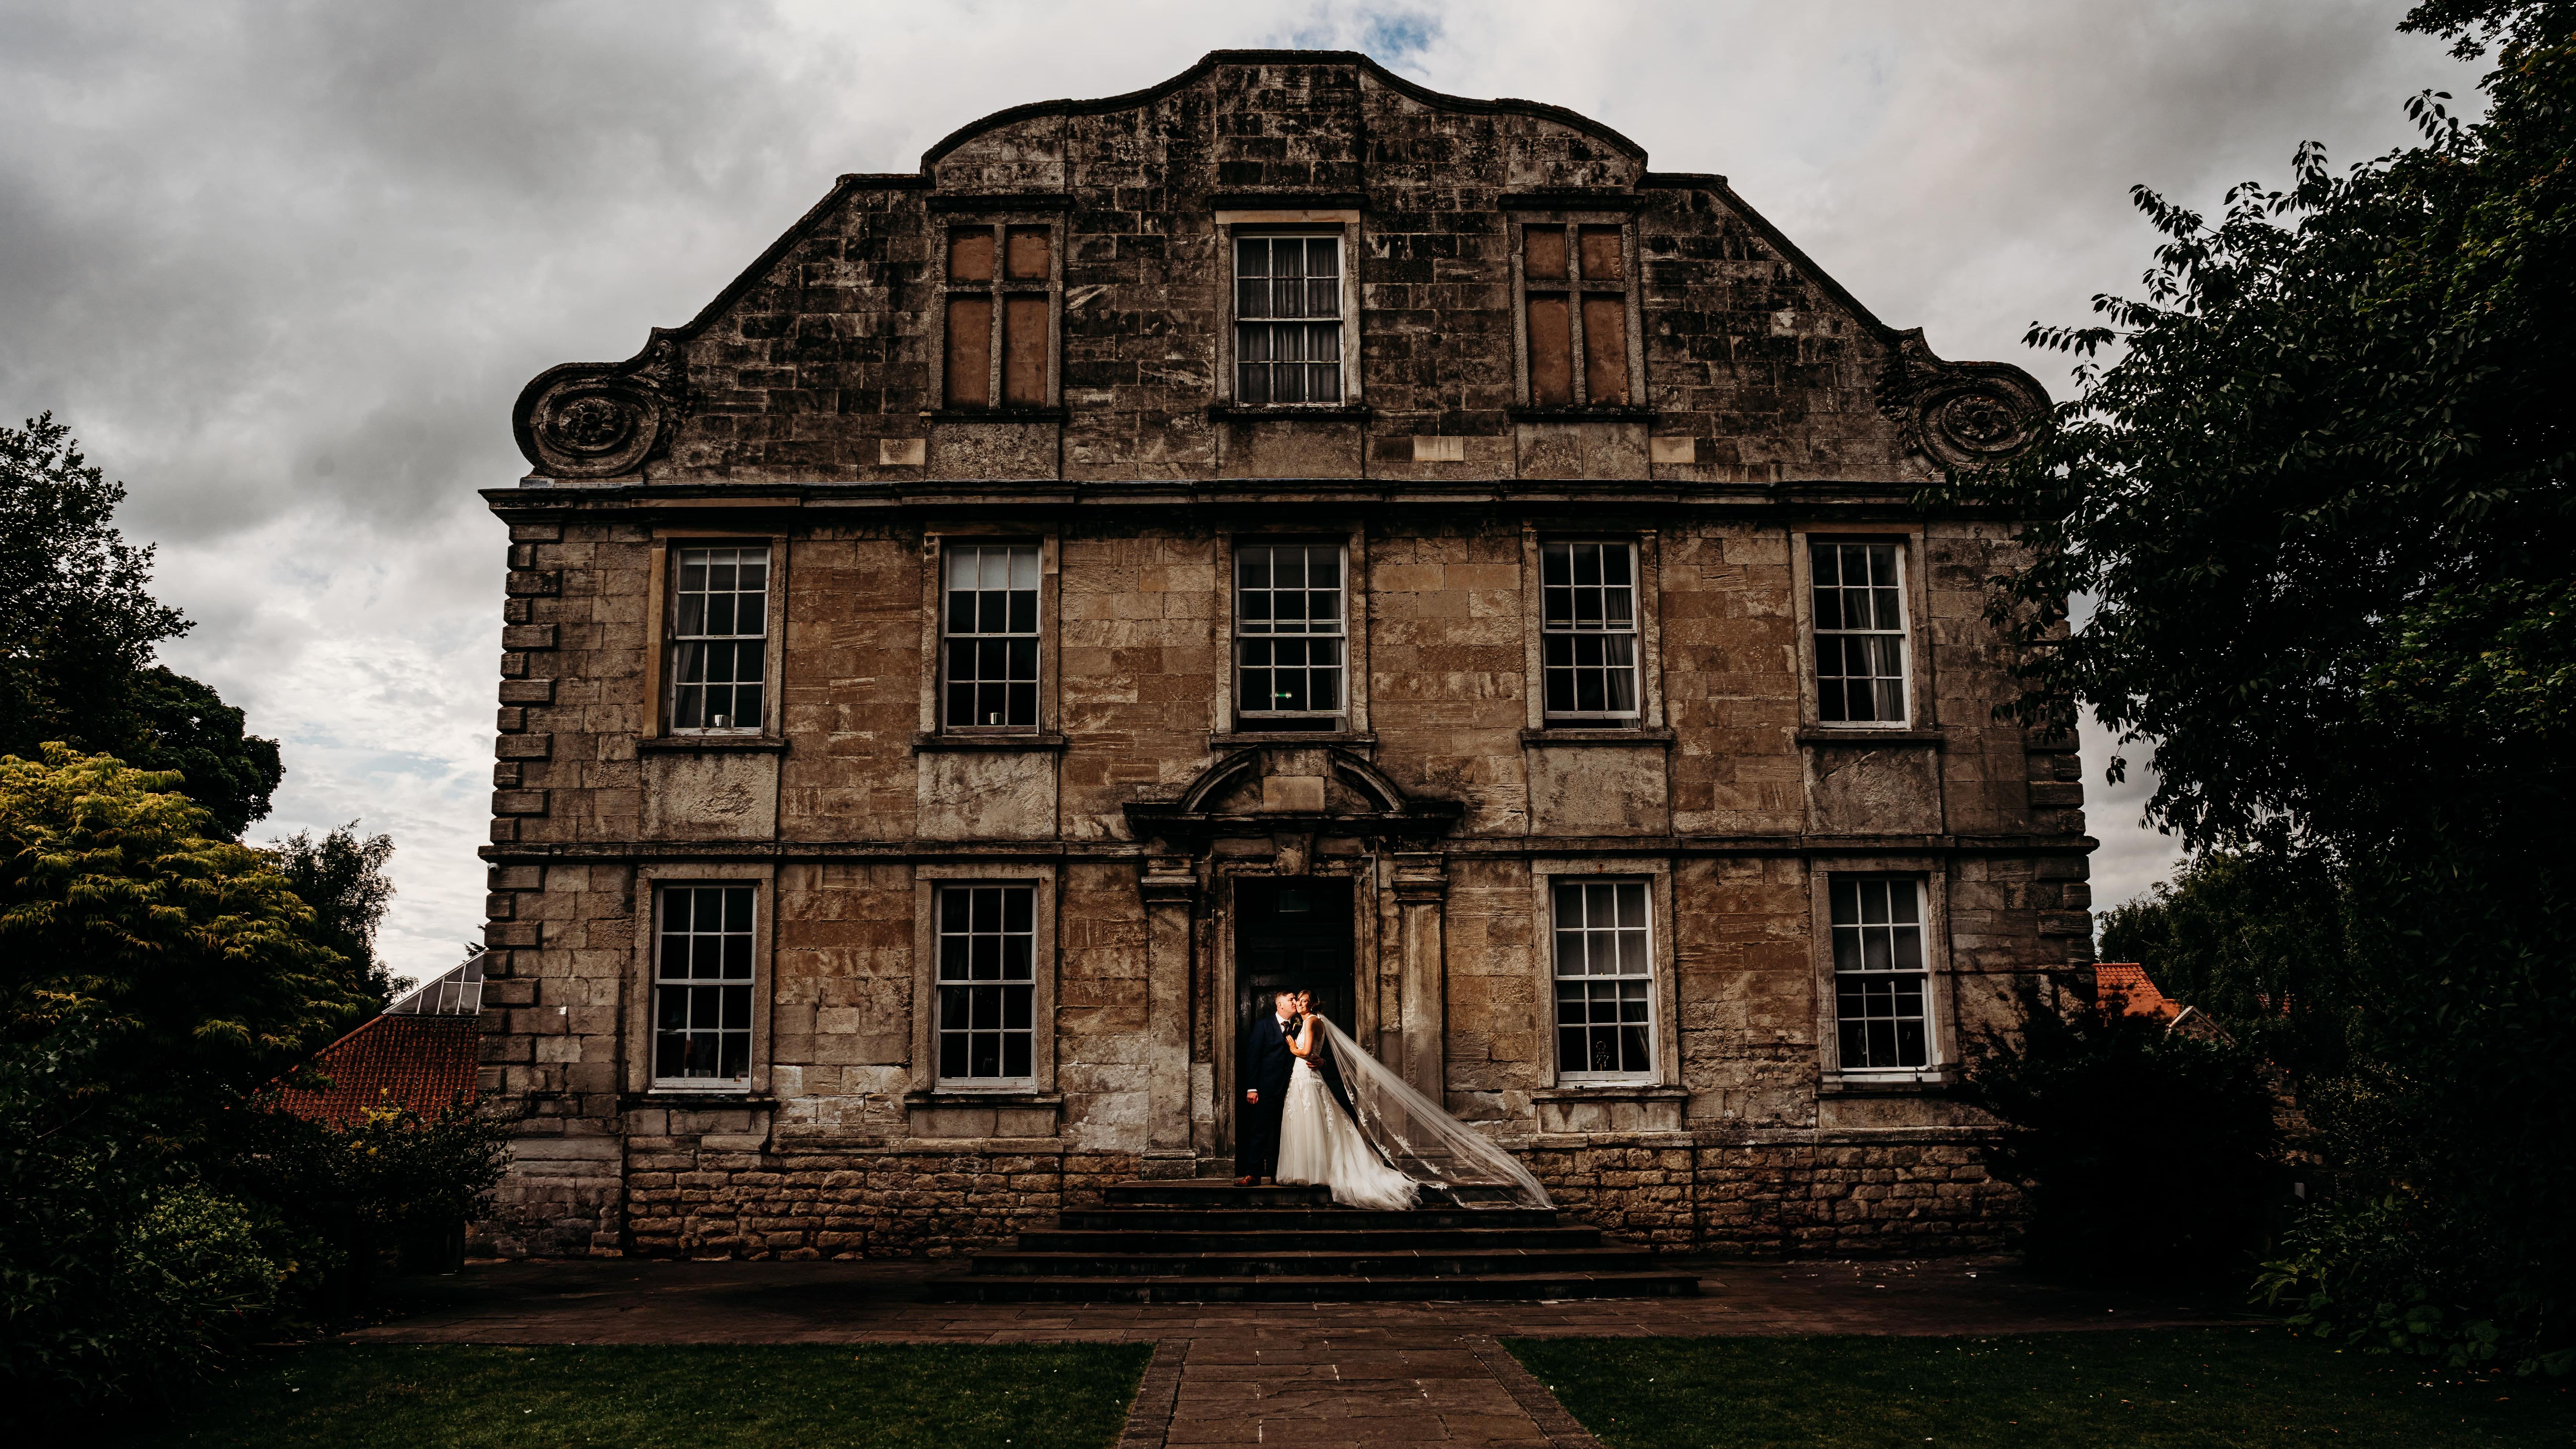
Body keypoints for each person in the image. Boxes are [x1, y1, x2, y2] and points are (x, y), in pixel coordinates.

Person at [1274, 1001, 1420, 1210]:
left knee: (1314, 1121)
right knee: (1305, 1122)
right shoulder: (1303, 1023)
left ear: (1312, 1004)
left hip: (1305, 1076)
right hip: (1293, 1079)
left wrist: (1296, 1050)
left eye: (1303, 1000)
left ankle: (1316, 1172)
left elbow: (1310, 1052)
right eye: (1296, 1000)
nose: (1298, 1003)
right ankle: (1307, 1170)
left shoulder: (1312, 1022)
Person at [1236, 987, 1300, 1186]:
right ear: (1280, 1005)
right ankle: (1253, 1174)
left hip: (1291, 1089)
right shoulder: (1263, 1026)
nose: (1295, 1002)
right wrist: (1252, 1088)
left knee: (1284, 1132)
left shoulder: (1300, 1026)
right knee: (1260, 1130)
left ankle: (1277, 1175)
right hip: (1265, 1089)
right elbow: (1253, 1058)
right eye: (1291, 999)